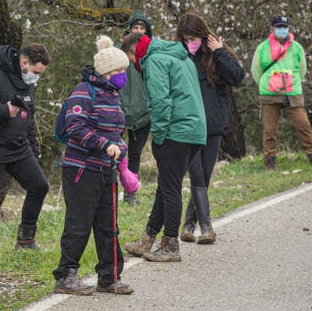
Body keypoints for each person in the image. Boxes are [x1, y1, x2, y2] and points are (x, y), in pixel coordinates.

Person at [53, 37, 133, 295]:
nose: (123, 75)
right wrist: (103, 144)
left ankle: (109, 277)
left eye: (124, 70)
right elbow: (75, 127)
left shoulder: (113, 96)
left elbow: (116, 132)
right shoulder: (84, 92)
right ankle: (66, 276)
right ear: (106, 71)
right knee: (79, 223)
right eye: (119, 71)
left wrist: (120, 147)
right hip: (81, 168)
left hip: (105, 169)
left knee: (108, 225)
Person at [123, 34, 206, 262]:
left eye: (131, 59)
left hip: (176, 132)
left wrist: (158, 136)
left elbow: (161, 101)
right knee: (166, 185)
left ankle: (170, 244)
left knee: (170, 189)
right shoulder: (181, 57)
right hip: (195, 130)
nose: (134, 65)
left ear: (135, 51)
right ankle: (147, 239)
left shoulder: (154, 61)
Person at [0, 43, 52, 261]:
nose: (36, 78)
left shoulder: (27, 82)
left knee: (39, 186)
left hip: (20, 147)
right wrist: (3, 110)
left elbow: (29, 119)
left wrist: (33, 151)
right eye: (35, 72)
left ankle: (26, 239)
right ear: (24, 63)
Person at [175, 12, 246, 244]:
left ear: (202, 35)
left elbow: (237, 77)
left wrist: (219, 52)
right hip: (188, 126)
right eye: (185, 39)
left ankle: (187, 225)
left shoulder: (217, 55)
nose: (189, 43)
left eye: (193, 38)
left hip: (213, 125)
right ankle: (207, 229)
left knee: (203, 176)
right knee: (196, 174)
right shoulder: (179, 57)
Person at [250, 15, 312, 170]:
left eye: (284, 27)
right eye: (279, 27)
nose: (282, 30)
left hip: (292, 92)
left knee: (303, 125)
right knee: (269, 130)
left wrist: (293, 82)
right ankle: (270, 161)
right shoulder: (262, 48)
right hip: (269, 94)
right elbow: (256, 71)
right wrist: (267, 83)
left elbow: (302, 69)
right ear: (272, 29)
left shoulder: (296, 48)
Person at [118, 31, 150, 205]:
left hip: (143, 114)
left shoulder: (150, 60)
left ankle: (131, 192)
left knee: (135, 154)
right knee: (116, 152)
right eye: (135, 26)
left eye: (142, 27)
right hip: (121, 111)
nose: (139, 30)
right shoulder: (118, 57)